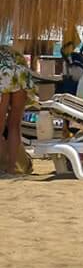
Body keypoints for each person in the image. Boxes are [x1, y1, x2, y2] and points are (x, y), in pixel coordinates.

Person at [0, 45, 35, 175]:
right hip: (20, 74)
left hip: (2, 74)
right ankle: (11, 168)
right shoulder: (14, 52)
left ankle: (2, 167)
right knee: (14, 126)